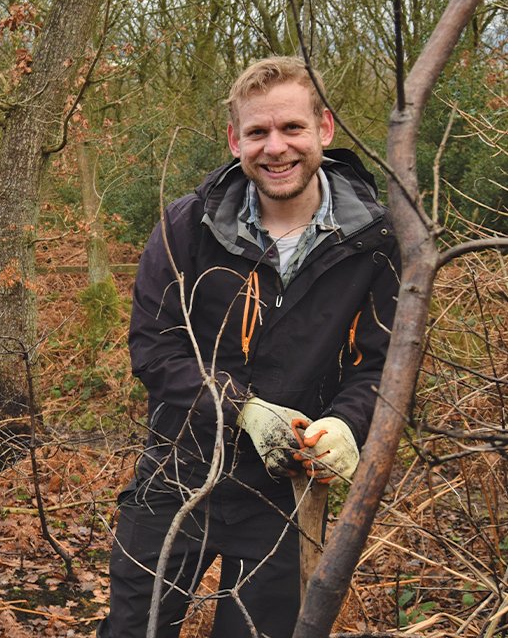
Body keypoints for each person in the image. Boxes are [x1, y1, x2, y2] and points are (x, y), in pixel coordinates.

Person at [99, 57, 400, 637]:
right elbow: (154, 348)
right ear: (236, 139)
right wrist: (242, 410)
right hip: (178, 468)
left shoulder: (375, 240)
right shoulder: (188, 225)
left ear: (325, 130)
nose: (276, 148)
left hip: (286, 489)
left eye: (292, 128)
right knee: (135, 628)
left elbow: (381, 365)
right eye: (258, 132)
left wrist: (345, 424)